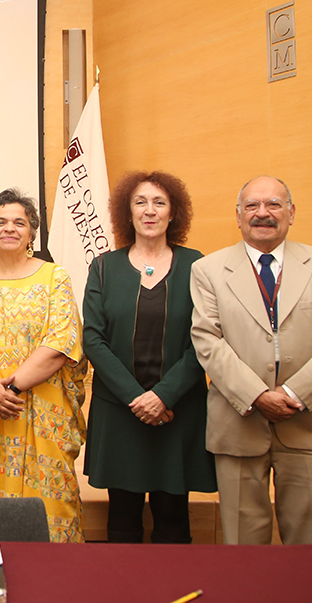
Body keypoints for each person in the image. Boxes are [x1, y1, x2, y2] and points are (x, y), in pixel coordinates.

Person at [191, 175, 312, 544]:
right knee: (242, 545)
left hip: (308, 423)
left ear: (291, 213)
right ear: (238, 216)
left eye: (273, 204)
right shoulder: (209, 271)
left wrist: (294, 394)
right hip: (239, 423)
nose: (262, 213)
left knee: (310, 543)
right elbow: (207, 341)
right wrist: (257, 395)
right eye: (252, 206)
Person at [0, 188, 89, 543]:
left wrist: (8, 390)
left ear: (31, 232)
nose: (9, 228)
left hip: (42, 416)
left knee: (50, 516)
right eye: (0, 222)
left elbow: (61, 343)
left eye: (19, 222)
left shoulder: (55, 278)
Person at [82, 171, 216, 544]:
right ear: (128, 213)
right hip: (119, 409)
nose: (149, 210)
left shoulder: (197, 266)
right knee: (122, 519)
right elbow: (93, 339)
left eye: (159, 202)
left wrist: (163, 396)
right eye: (140, 202)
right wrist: (137, 399)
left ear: (174, 213)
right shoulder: (104, 267)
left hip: (179, 410)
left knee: (173, 516)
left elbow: (205, 338)